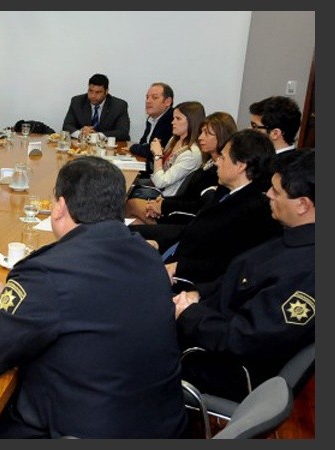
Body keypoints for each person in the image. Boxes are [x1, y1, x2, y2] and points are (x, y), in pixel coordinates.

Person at [0, 156, 188, 438]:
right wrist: (11, 303)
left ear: (59, 207)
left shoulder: (49, 270)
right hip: (160, 427)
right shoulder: (147, 256)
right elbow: (89, 309)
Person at [174, 148, 314, 402]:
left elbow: (245, 340)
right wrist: (198, 293)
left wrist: (190, 315)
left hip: (220, 363)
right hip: (209, 324)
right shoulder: (290, 235)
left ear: (303, 204)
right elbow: (236, 279)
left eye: (277, 191)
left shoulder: (307, 272)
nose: (267, 194)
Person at [159, 129, 283, 284]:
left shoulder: (254, 212)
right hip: (172, 258)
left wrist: (180, 267)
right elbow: (194, 231)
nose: (217, 162)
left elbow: (226, 265)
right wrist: (158, 244)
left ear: (240, 166)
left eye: (223, 158)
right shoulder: (226, 191)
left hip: (185, 280)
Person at [128, 112, 237, 224]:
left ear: (222, 136)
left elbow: (197, 205)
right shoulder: (208, 163)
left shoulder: (218, 171)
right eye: (201, 132)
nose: (200, 137)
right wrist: (163, 203)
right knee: (134, 222)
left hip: (182, 219)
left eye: (207, 133)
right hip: (173, 205)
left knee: (132, 204)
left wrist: (163, 205)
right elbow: (187, 196)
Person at [130, 101, 205, 201]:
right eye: (174, 118)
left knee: (130, 195)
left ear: (192, 122)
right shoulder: (174, 139)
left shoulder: (192, 154)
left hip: (166, 197)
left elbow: (161, 182)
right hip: (157, 185)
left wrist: (157, 155)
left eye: (178, 119)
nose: (172, 122)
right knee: (125, 185)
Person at [61, 73, 130, 141]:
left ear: (106, 92)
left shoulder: (119, 106)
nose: (93, 95)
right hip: (83, 148)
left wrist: (98, 136)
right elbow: (67, 126)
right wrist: (80, 133)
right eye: (90, 91)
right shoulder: (77, 102)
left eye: (98, 92)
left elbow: (123, 132)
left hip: (108, 148)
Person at [129, 82, 175, 176]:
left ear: (167, 102)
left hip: (158, 175)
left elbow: (152, 151)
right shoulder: (152, 119)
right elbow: (143, 143)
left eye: (154, 97)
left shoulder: (171, 121)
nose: (148, 101)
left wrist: (133, 147)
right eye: (147, 97)